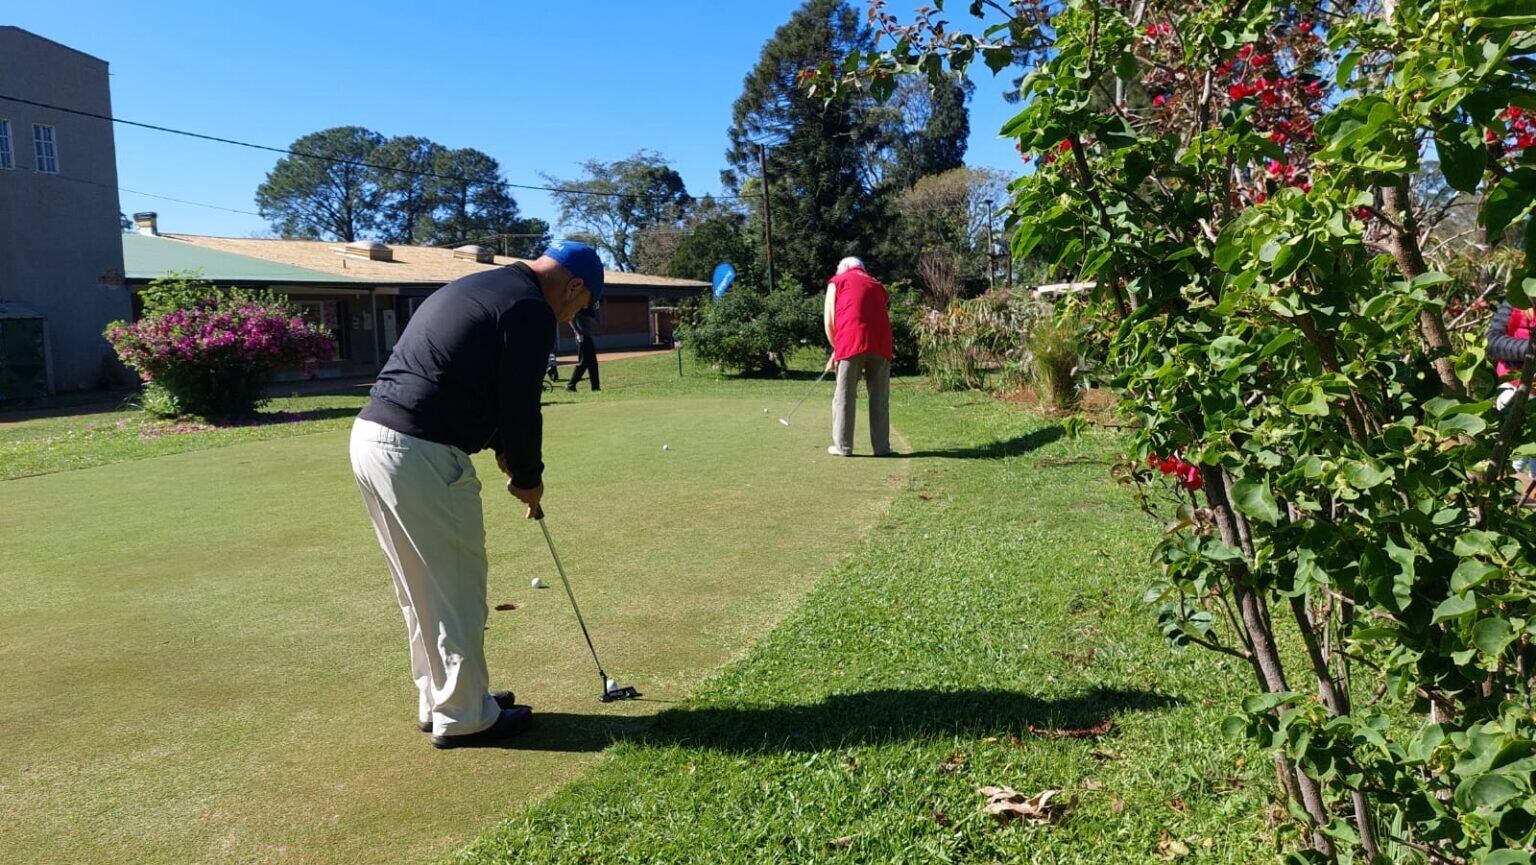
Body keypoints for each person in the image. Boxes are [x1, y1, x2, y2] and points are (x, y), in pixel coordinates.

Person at [349, 240, 603, 748]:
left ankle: (443, 698)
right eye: (580, 306)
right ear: (573, 285)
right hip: (420, 451)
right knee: (456, 587)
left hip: (373, 438)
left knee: (421, 588)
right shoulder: (530, 309)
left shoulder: (486, 287)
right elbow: (519, 405)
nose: (573, 316)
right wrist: (528, 476)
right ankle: (464, 714)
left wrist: (503, 450)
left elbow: (469, 382)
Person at [823, 256, 894, 457]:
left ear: (845, 267)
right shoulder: (877, 285)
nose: (837, 271)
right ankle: (882, 448)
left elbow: (830, 320)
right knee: (879, 397)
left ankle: (843, 446)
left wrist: (836, 349)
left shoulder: (837, 281)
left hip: (850, 342)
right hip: (881, 344)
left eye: (838, 267)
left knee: (844, 396)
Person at [1486, 296, 1535, 504]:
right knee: (1512, 450)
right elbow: (1493, 343)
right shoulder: (1516, 302)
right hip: (1517, 385)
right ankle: (1503, 494)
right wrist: (1530, 349)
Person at [565, 306, 601, 392]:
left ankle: (596, 387)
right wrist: (577, 333)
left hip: (588, 336)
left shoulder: (587, 306)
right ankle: (570, 385)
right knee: (584, 362)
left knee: (593, 363)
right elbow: (570, 319)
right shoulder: (578, 306)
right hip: (582, 337)